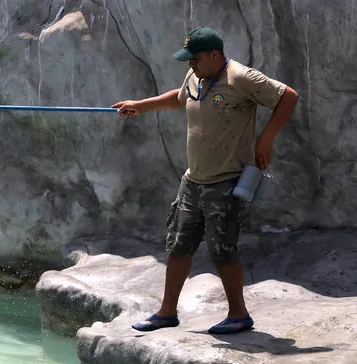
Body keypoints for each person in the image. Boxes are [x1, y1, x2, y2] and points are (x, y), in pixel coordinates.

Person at [111, 27, 299, 334]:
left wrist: (266, 138)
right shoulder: (196, 76)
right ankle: (166, 312)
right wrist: (140, 105)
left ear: (215, 55)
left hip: (226, 180)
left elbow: (287, 96)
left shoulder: (241, 77)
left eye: (194, 59)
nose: (190, 65)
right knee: (178, 244)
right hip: (193, 180)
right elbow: (180, 98)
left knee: (222, 249)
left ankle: (239, 315)